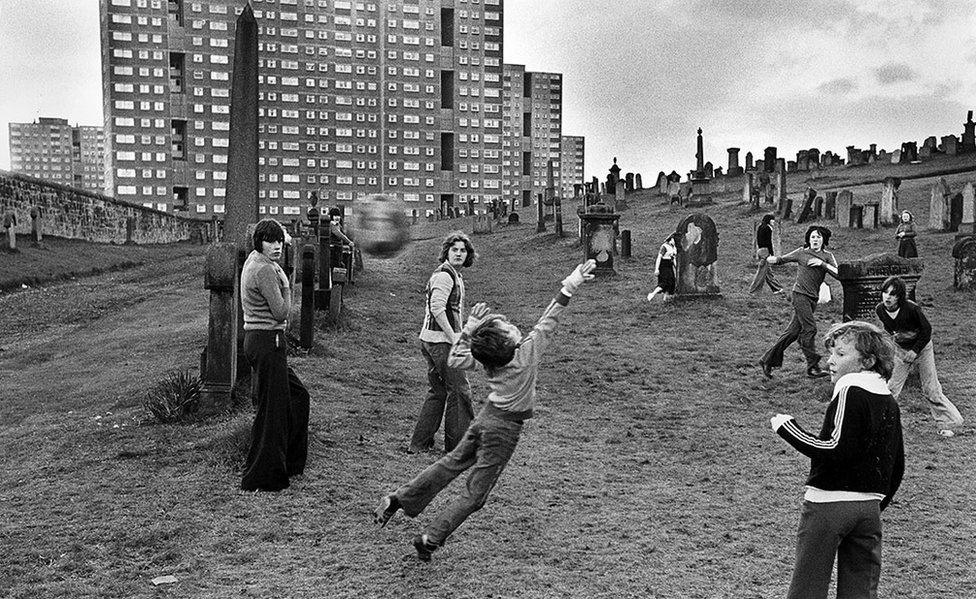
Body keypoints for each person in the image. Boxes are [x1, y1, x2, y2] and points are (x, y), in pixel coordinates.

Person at [374, 260, 597, 561]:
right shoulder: (526, 355)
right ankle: (431, 537)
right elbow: (550, 316)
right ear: (510, 342)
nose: (515, 326)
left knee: (450, 463)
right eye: (510, 328)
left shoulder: (487, 360)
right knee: (475, 494)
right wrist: (572, 283)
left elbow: (455, 360)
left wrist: (467, 329)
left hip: (484, 418)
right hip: (503, 430)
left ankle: (398, 499)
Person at [770, 321, 904, 599]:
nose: (831, 360)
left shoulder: (849, 390)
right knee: (860, 593)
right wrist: (873, 504)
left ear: (867, 361)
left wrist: (787, 428)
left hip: (828, 506)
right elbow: (897, 465)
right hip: (869, 510)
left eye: (841, 355)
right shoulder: (889, 400)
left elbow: (834, 447)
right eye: (832, 353)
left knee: (808, 589)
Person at [240, 219, 310, 492]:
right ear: (259, 242)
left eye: (280, 240)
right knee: (272, 413)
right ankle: (263, 476)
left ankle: (291, 462)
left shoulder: (256, 260)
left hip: (263, 341)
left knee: (298, 396)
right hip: (268, 341)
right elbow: (282, 313)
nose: (277, 245)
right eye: (270, 241)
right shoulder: (265, 270)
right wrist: (287, 286)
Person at [408, 231, 476, 454]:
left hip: (431, 340)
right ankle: (457, 449)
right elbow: (437, 308)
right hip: (440, 343)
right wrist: (453, 337)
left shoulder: (454, 275)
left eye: (463, 250)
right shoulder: (444, 276)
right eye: (454, 250)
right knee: (460, 390)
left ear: (468, 255)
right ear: (446, 252)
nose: (458, 254)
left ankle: (419, 444)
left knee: (438, 391)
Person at [875, 276, 963, 436]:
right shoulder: (880, 310)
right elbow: (890, 330)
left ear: (899, 297)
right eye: (885, 292)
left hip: (922, 348)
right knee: (892, 387)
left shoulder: (911, 309)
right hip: (901, 350)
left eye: (893, 294)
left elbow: (926, 331)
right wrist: (895, 344)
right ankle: (880, 424)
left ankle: (950, 423)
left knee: (931, 389)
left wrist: (914, 351)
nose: (888, 297)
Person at [760, 225, 838, 379]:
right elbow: (782, 260)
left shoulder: (827, 256)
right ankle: (813, 366)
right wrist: (770, 259)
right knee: (810, 329)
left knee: (792, 332)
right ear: (808, 239)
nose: (815, 239)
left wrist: (822, 264)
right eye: (813, 237)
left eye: (819, 237)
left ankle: (767, 360)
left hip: (812, 299)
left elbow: (839, 273)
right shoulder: (802, 253)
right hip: (799, 295)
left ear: (824, 240)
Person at [749, 214, 784, 295]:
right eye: (772, 220)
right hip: (765, 251)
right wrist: (771, 253)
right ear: (768, 220)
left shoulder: (761, 227)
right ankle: (753, 291)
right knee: (761, 273)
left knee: (768, 273)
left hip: (760, 250)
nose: (774, 221)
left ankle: (777, 289)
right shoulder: (768, 228)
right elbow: (768, 242)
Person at [646, 235, 677, 301]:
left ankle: (664, 299)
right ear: (671, 239)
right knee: (664, 282)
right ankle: (652, 294)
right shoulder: (664, 246)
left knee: (671, 282)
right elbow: (659, 257)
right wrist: (656, 269)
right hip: (663, 265)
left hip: (669, 265)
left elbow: (673, 258)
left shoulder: (674, 247)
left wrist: (676, 267)